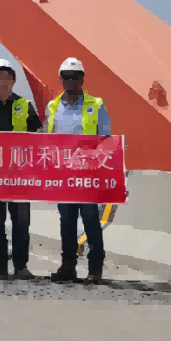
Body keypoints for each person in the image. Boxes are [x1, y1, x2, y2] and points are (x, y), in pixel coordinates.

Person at [46, 57, 112, 284]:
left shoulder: (96, 105)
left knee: (91, 220)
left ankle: (95, 269)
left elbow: (106, 139)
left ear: (82, 79)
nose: (71, 80)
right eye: (67, 77)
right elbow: (48, 140)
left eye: (76, 76)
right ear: (61, 79)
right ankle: (68, 267)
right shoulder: (53, 107)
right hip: (64, 176)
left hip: (88, 175)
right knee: (67, 222)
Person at [0, 59, 42, 279]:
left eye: (7, 77)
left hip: (20, 176)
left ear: (13, 80)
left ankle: (21, 266)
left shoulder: (25, 105)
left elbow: (38, 136)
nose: (3, 81)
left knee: (21, 222)